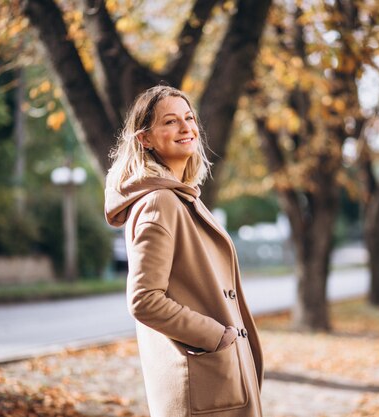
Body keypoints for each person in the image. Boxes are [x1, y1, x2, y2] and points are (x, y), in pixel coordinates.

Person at [104, 85, 263, 417]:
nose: (186, 128)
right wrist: (216, 336)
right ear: (144, 139)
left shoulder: (183, 198)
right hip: (200, 381)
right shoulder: (160, 203)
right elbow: (144, 299)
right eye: (170, 122)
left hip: (214, 377)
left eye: (189, 118)